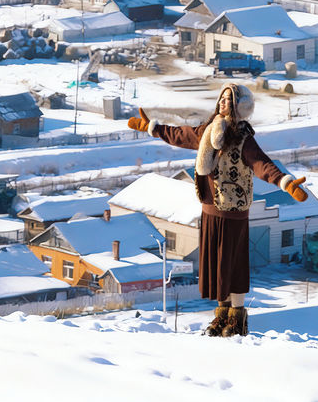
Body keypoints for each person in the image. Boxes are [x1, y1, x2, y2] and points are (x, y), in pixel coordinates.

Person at [128, 83, 308, 337]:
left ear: (239, 106)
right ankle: (221, 316)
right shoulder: (208, 130)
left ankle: (237, 320)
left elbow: (261, 164)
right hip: (210, 208)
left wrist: (285, 182)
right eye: (222, 98)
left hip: (233, 211)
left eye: (229, 99)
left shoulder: (243, 137)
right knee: (215, 266)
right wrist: (154, 128)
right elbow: (181, 135)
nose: (223, 102)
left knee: (232, 265)